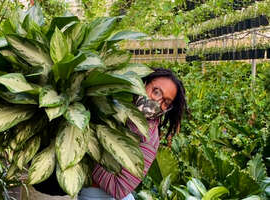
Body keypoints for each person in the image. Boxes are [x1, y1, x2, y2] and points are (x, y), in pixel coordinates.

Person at [25, 67, 187, 200]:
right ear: (144, 83)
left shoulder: (148, 138)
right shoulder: (118, 102)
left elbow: (119, 189)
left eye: (166, 102)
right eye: (156, 91)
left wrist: (85, 154)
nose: (157, 102)